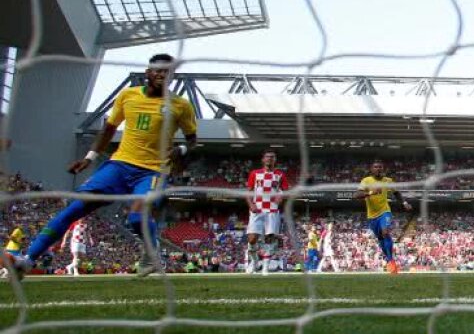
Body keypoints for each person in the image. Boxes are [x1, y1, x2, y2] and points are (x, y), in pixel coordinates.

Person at [3, 54, 197, 280]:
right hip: (120, 164)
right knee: (74, 209)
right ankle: (26, 261)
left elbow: (192, 139)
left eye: (168, 71)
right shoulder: (128, 96)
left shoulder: (181, 105)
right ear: (148, 72)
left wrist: (181, 150)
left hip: (153, 170)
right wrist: (89, 157)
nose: (162, 75)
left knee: (137, 217)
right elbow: (109, 129)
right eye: (158, 70)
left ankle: (152, 255)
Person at [355, 160, 412, 274]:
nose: (378, 169)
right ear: (372, 169)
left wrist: (404, 203)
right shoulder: (366, 181)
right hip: (372, 216)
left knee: (385, 232)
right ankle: (389, 260)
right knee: (381, 239)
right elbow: (357, 195)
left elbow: (396, 193)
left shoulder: (388, 181)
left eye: (380, 167)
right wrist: (371, 193)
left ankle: (391, 262)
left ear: (383, 169)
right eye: (376, 167)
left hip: (384, 211)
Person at [245, 150, 289, 274]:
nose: (269, 159)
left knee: (270, 239)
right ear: (263, 159)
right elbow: (248, 192)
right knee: (252, 239)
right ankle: (254, 262)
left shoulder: (280, 175)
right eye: (267, 157)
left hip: (272, 209)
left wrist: (281, 197)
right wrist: (251, 204)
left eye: (272, 157)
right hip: (257, 209)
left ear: (275, 160)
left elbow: (285, 191)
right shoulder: (255, 173)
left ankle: (265, 267)